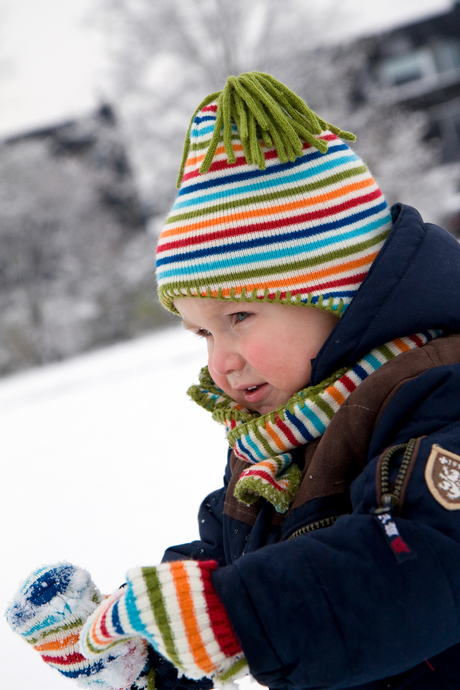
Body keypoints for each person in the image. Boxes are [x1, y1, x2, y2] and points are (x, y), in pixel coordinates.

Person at [6, 72, 460, 690]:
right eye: (203, 334)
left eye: (238, 317)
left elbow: (423, 560)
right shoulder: (280, 437)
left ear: (339, 292)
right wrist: (153, 642)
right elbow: (243, 567)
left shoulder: (439, 392)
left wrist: (233, 613)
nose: (221, 362)